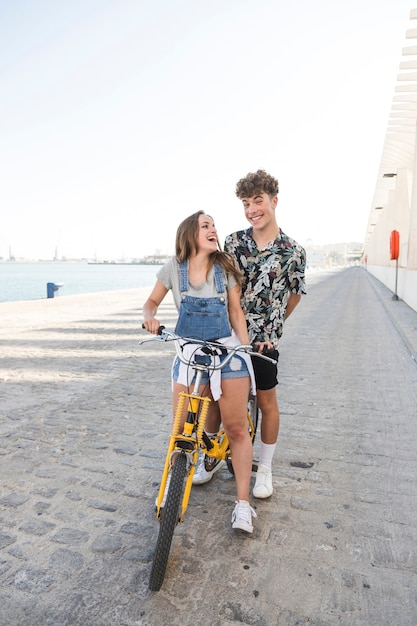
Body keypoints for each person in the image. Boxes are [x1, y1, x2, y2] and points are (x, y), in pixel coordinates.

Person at [142, 210, 258, 533]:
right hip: (189, 352)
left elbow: (236, 314)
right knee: (180, 429)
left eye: (213, 225)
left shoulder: (224, 269)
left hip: (226, 351)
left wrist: (245, 352)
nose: (213, 229)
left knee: (236, 429)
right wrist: (150, 317)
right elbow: (150, 303)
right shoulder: (173, 270)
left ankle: (243, 506)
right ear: (190, 233)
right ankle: (172, 488)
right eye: (205, 225)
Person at [224, 169, 306, 499]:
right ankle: (210, 457)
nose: (252, 209)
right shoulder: (233, 242)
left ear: (273, 200)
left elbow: (296, 292)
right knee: (219, 399)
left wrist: (274, 325)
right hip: (230, 334)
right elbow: (223, 287)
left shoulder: (293, 251)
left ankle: (266, 468)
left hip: (264, 340)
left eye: (258, 201)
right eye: (246, 203)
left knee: (268, 403)